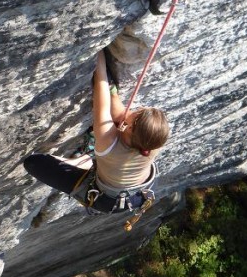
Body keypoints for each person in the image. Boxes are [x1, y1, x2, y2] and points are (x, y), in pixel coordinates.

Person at [23, 50, 170, 214]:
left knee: (33, 163)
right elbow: (118, 110)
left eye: (139, 111)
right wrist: (113, 90)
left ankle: (86, 158)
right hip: (138, 191)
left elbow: (101, 85)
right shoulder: (154, 139)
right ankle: (88, 159)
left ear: (129, 127)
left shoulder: (108, 140)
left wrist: (98, 49)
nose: (138, 108)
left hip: (106, 199)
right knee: (109, 145)